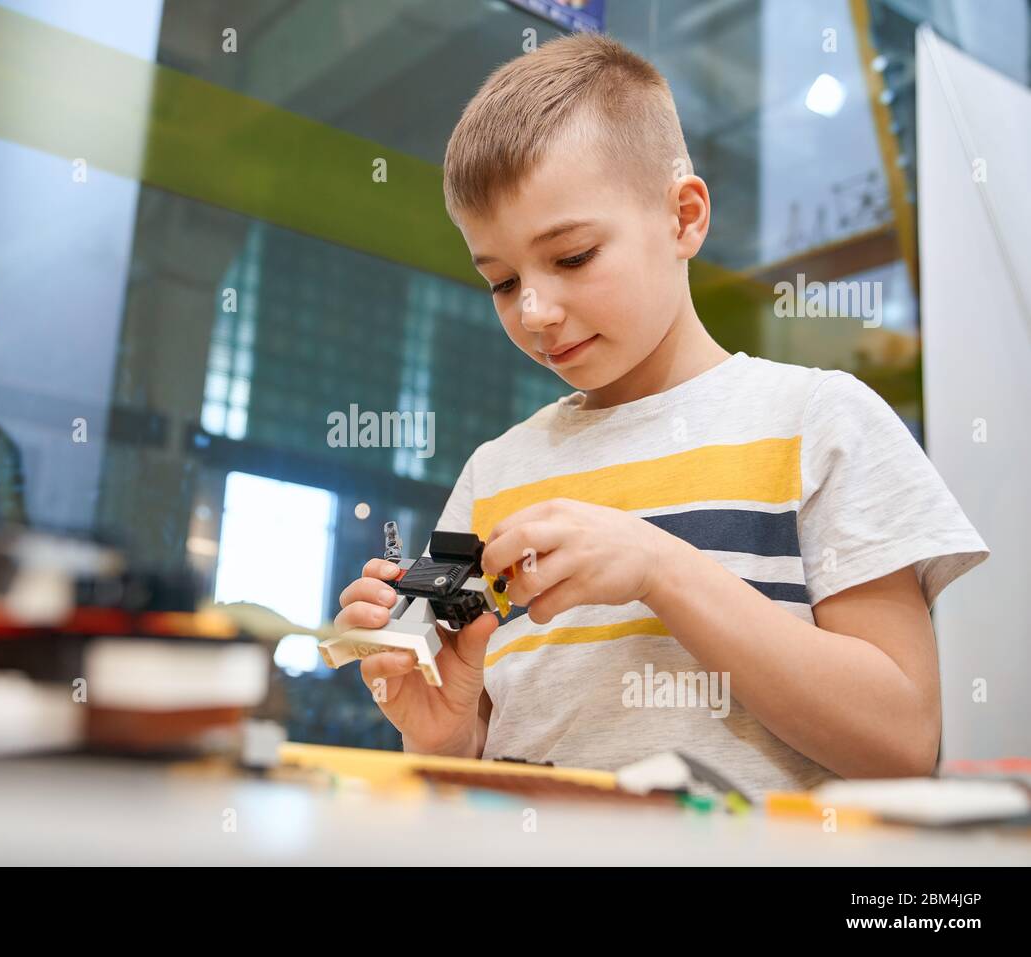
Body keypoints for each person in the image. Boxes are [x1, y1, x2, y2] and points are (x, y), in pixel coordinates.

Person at [334, 32, 988, 793]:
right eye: (503, 281)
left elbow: (904, 739)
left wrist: (662, 568)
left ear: (684, 218)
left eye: (573, 256)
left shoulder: (819, 422)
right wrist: (441, 732)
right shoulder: (496, 473)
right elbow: (471, 763)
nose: (537, 310)